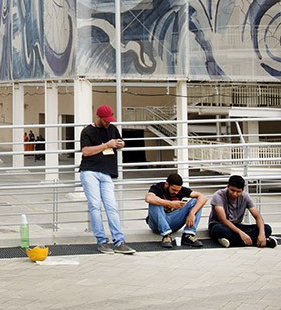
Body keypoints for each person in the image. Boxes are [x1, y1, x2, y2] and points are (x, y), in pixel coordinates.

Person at [79, 104, 136, 254]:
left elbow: (120, 141)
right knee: (95, 205)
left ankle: (119, 240)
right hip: (90, 171)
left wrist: (120, 144)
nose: (108, 122)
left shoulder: (112, 128)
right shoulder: (87, 131)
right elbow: (86, 152)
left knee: (111, 206)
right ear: (98, 117)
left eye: (109, 119)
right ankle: (101, 241)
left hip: (107, 172)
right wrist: (106, 145)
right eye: (105, 120)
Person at [208, 174, 277, 248]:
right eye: (232, 190)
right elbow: (223, 220)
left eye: (238, 192)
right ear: (228, 187)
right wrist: (241, 233)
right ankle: (263, 242)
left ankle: (231, 241)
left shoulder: (245, 196)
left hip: (237, 225)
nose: (235, 194)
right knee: (219, 230)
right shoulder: (218, 195)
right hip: (220, 225)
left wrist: (262, 234)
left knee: (266, 228)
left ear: (242, 190)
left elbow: (257, 216)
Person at [144, 172, 207, 248]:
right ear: (167, 184)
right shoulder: (158, 187)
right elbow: (148, 198)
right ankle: (166, 236)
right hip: (157, 224)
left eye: (178, 190)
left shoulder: (180, 190)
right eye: (173, 190)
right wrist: (170, 204)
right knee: (154, 202)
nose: (176, 192)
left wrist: (192, 213)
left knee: (196, 202)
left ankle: (188, 234)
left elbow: (203, 197)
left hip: (173, 222)